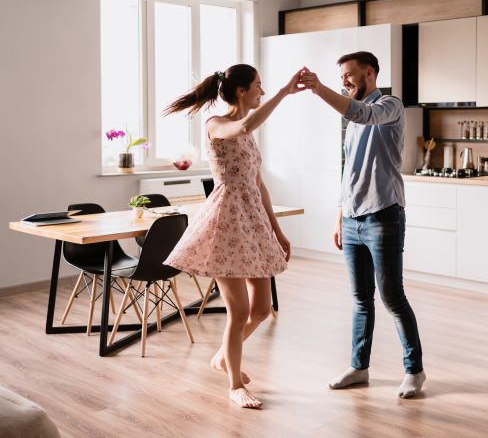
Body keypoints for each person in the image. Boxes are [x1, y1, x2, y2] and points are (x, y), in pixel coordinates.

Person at [163, 64, 305, 408]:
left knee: (262, 308)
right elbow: (243, 124)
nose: (263, 91)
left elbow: (258, 184)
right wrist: (286, 92)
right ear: (241, 90)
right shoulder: (217, 125)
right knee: (239, 312)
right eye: (258, 85)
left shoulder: (247, 131)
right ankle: (233, 385)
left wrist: (277, 230)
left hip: (252, 222)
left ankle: (224, 356)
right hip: (226, 224)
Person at [300, 52, 426, 398]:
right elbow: (349, 170)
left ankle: (414, 370)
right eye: (340, 77)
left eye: (349, 75)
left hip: (383, 214)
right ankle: (359, 367)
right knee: (360, 300)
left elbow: (364, 114)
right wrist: (340, 215)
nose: (344, 81)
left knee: (392, 298)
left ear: (369, 73)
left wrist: (320, 89)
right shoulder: (350, 117)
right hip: (353, 218)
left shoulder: (389, 106)